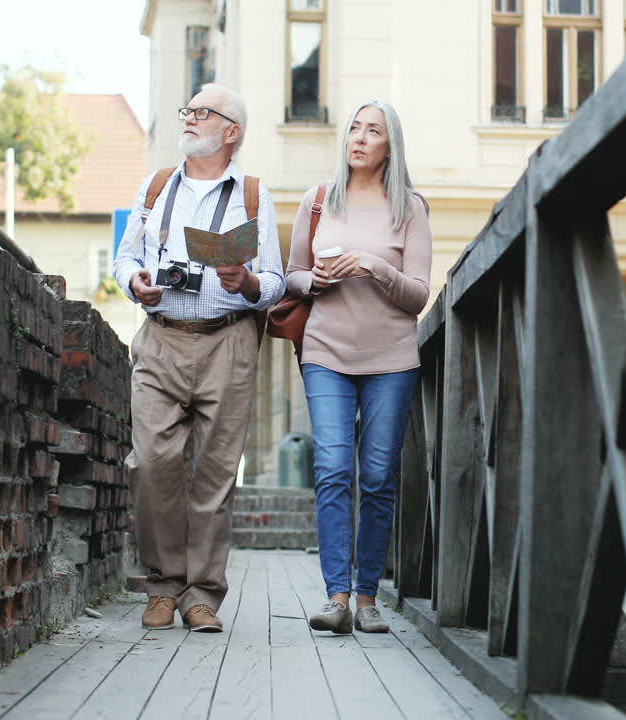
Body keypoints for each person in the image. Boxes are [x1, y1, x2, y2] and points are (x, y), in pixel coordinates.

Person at [113, 83, 285, 632]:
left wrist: (249, 279)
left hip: (228, 338)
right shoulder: (157, 186)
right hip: (161, 335)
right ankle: (162, 584)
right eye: (187, 109)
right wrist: (134, 282)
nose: (188, 118)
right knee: (151, 462)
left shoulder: (253, 196)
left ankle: (201, 595)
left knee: (214, 472)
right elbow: (124, 259)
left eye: (202, 112)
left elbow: (277, 284)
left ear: (231, 131)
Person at [284, 100, 431, 633]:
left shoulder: (410, 208)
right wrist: (316, 281)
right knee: (332, 468)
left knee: (376, 475)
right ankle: (337, 596)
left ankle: (369, 596)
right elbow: (292, 275)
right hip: (326, 352)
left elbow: (417, 296)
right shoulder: (318, 200)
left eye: (374, 130)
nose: (361, 137)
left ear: (391, 145)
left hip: (391, 359)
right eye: (355, 127)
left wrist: (372, 266)